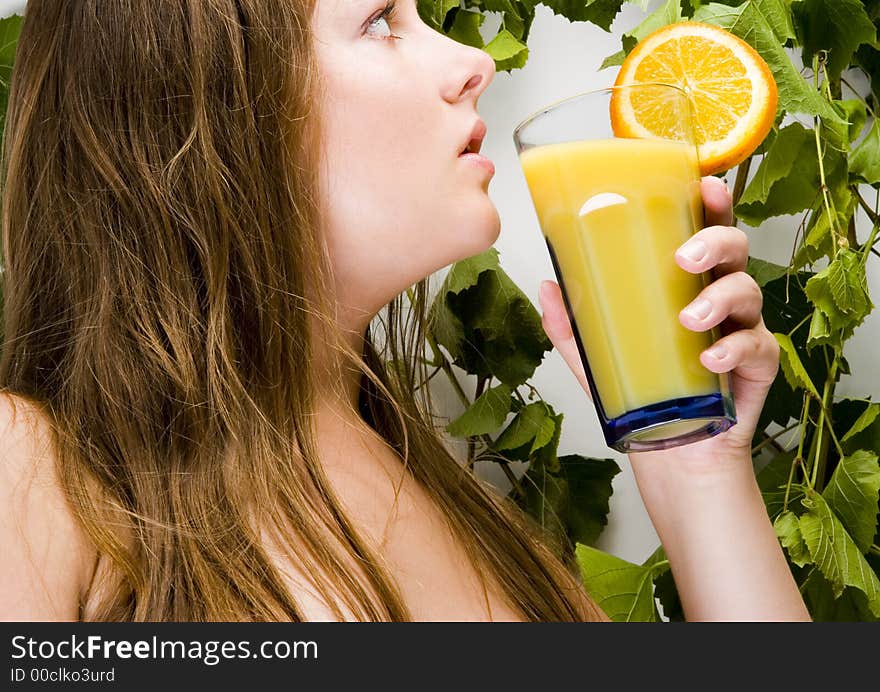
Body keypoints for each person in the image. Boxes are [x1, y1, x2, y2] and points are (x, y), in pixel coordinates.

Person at [0, 0, 809, 622]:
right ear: (198, 99)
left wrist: (697, 470)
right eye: (383, 21)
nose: (472, 63)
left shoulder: (463, 507)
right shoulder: (31, 467)